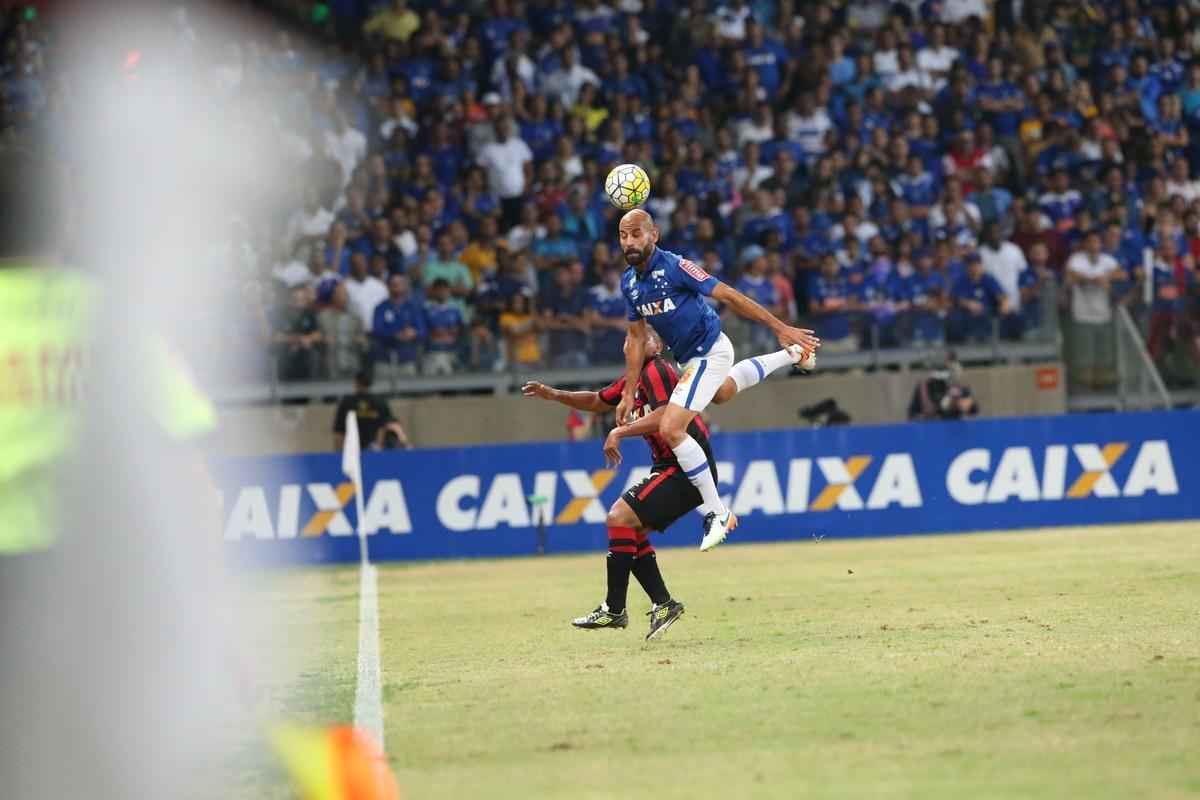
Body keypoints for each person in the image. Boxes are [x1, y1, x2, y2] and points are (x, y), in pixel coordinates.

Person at [521, 327, 811, 638]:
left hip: (684, 466)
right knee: (628, 530)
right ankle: (663, 604)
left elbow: (663, 415)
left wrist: (619, 431)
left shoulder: (656, 370)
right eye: (630, 340)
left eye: (643, 338)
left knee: (618, 517)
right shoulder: (633, 380)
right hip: (671, 465)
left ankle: (614, 608)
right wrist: (554, 394)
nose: (633, 342)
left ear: (657, 346)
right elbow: (596, 400)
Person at [615, 209, 819, 551]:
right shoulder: (629, 283)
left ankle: (717, 512)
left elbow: (727, 295)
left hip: (710, 352)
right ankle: (794, 355)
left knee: (670, 428)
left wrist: (780, 327)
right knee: (722, 393)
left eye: (637, 233)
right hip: (689, 359)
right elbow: (636, 339)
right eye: (623, 235)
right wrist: (628, 392)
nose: (629, 242)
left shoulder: (676, 267)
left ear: (654, 234)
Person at [332, 371, 411, 451]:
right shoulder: (379, 402)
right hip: (374, 449)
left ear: (356, 383)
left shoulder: (347, 403)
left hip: (355, 449)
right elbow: (390, 425)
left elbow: (339, 432)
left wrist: (339, 452)